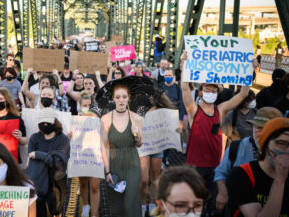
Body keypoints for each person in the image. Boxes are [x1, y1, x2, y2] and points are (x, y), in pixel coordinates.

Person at [180, 51, 251, 214]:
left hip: (215, 167)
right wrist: (184, 65)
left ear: (217, 94)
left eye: (213, 91)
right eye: (207, 89)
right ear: (200, 92)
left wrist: (248, 71)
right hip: (195, 166)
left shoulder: (220, 110)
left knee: (212, 206)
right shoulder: (193, 110)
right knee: (193, 204)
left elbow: (243, 94)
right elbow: (184, 87)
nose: (210, 93)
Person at [214, 107, 282, 213]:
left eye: (269, 129)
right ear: (253, 126)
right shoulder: (236, 148)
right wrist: (223, 191)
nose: (264, 133)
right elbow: (221, 173)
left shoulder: (284, 154)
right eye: (259, 128)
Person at [226, 117, 289, 216]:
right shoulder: (242, 174)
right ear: (265, 144)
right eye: (281, 143)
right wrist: (280, 180)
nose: (287, 151)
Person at [101, 84, 143, 216]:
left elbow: (140, 144)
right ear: (113, 99)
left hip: (132, 163)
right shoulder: (106, 119)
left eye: (124, 97)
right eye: (118, 97)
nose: (121, 100)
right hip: (114, 164)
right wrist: (107, 171)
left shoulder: (136, 118)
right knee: (116, 204)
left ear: (128, 98)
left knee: (130, 203)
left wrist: (136, 135)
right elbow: (105, 146)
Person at [27, 107, 70, 216]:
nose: (45, 125)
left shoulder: (63, 139)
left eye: (48, 122)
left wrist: (39, 155)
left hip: (56, 180)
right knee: (40, 211)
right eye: (42, 122)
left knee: (57, 209)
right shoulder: (34, 138)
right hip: (39, 181)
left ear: (54, 122)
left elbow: (60, 162)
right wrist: (50, 156)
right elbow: (30, 162)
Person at [140, 88, 176, 217]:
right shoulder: (139, 109)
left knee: (155, 178)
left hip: (157, 147)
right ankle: (142, 205)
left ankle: (152, 204)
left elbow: (169, 127)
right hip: (143, 147)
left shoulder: (163, 110)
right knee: (143, 180)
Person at [0, 87, 27, 163]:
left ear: (6, 101)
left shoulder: (16, 119)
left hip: (10, 158)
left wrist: (19, 137)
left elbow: (24, 141)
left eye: (0, 99)